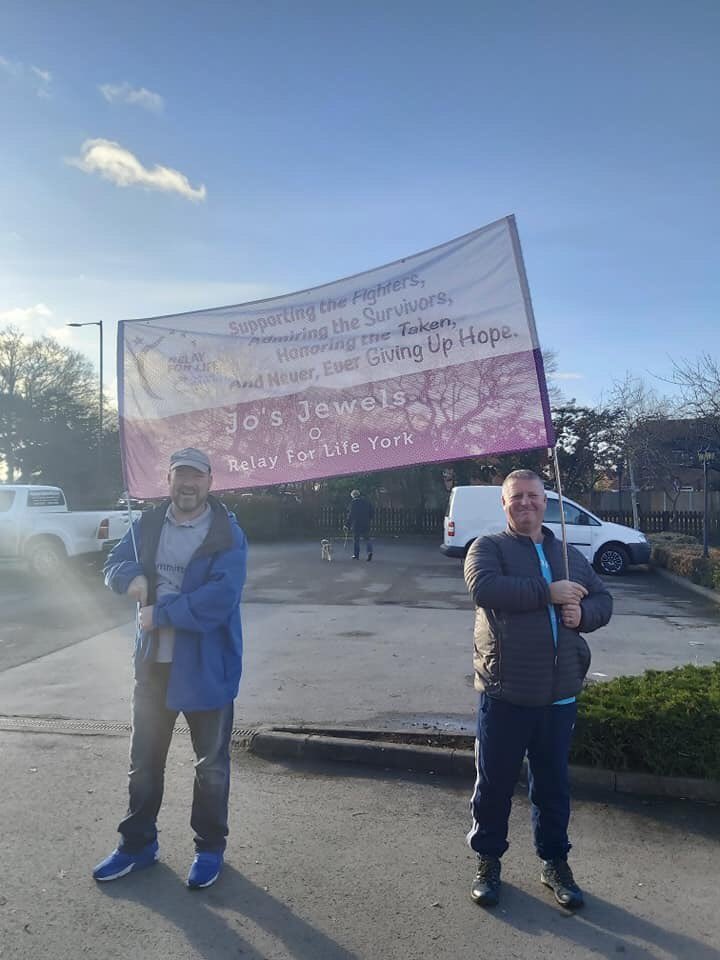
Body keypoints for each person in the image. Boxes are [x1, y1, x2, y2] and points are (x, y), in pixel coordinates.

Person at [93, 448, 248, 890]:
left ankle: (209, 848)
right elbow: (113, 565)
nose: (187, 484)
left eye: (196, 476)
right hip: (153, 667)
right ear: (168, 480)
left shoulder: (227, 533)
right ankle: (138, 844)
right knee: (143, 763)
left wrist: (161, 612)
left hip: (207, 668)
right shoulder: (147, 525)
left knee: (211, 767)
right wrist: (129, 578)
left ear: (210, 482)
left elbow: (222, 598)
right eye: (180, 475)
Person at [463, 469, 612, 909]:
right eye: (517, 498)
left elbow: (603, 599)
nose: (525, 503)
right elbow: (484, 588)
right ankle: (488, 861)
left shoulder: (566, 553)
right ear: (504, 505)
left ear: (545, 502)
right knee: (493, 785)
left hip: (559, 695)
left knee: (552, 787)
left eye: (533, 496)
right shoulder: (487, 547)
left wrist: (582, 616)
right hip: (506, 692)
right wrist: (548, 593)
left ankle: (554, 863)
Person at [346, 489, 374, 560]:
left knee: (356, 540)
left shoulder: (353, 503)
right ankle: (369, 552)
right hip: (366, 523)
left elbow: (350, 515)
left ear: (353, 496)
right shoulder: (366, 502)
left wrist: (347, 525)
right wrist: (369, 519)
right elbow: (372, 512)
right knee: (367, 539)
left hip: (356, 524)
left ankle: (356, 555)